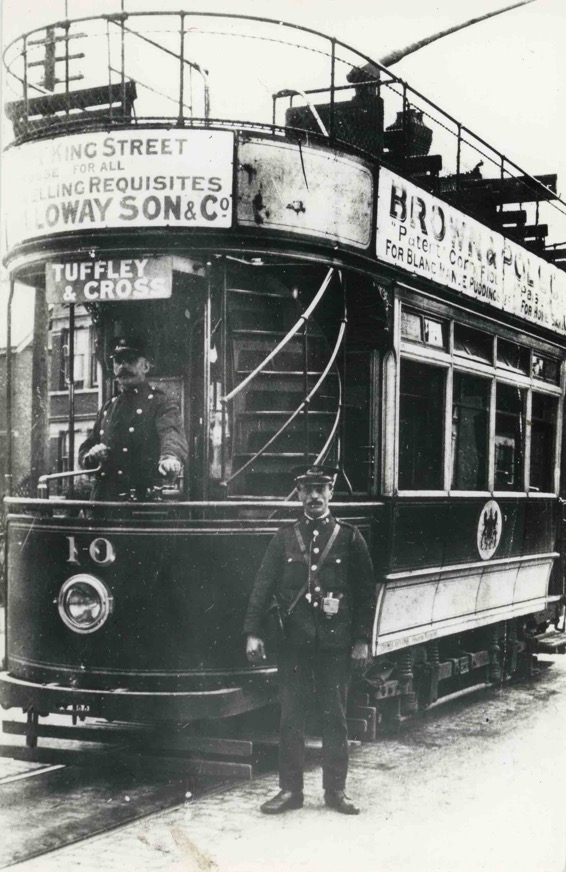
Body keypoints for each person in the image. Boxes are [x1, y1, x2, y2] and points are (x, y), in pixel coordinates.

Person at [244, 465, 377, 815]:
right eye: (307, 490)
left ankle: (336, 792)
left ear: (331, 493)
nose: (314, 496)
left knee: (335, 717)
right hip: (294, 644)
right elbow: (262, 587)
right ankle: (290, 791)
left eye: (321, 489)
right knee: (291, 718)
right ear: (298, 494)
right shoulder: (284, 536)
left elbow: (366, 595)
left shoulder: (349, 537)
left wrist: (362, 640)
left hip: (335, 645)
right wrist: (254, 632)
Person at [79, 337, 188, 500]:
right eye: (118, 361)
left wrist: (169, 458)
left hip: (140, 503)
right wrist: (91, 455)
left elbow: (171, 434)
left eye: (130, 360)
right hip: (104, 504)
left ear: (146, 366)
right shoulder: (108, 407)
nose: (123, 366)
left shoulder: (161, 403)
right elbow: (88, 446)